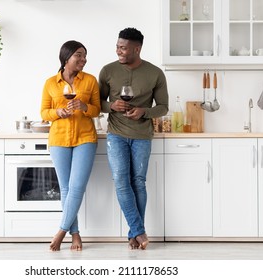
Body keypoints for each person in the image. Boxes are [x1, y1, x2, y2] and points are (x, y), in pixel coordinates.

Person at [99, 27, 169, 250]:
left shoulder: (155, 73)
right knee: (121, 181)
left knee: (138, 182)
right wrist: (111, 106)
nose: (118, 50)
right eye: (117, 46)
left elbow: (163, 107)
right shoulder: (107, 70)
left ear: (137, 49)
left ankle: (133, 233)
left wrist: (144, 112)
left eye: (124, 47)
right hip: (116, 134)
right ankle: (139, 232)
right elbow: (96, 104)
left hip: (142, 135)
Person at [41, 40, 101, 251]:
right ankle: (75, 234)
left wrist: (85, 107)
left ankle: (60, 232)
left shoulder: (91, 81)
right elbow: (43, 112)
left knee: (76, 188)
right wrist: (58, 112)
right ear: (66, 57)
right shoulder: (50, 83)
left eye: (85, 56)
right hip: (58, 140)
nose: (83, 60)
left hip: (85, 138)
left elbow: (97, 110)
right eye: (79, 55)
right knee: (66, 189)